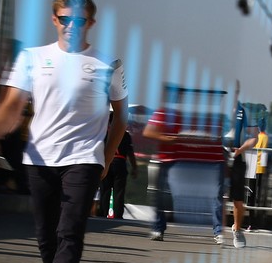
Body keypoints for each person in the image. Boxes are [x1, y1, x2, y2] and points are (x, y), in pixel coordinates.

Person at [0, 0, 127, 263]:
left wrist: (105, 158)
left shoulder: (108, 65)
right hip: (39, 157)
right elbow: (13, 105)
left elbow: (121, 119)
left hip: (84, 157)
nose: (71, 26)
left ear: (91, 23)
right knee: (46, 234)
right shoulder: (31, 58)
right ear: (54, 20)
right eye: (64, 19)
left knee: (69, 230)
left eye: (79, 20)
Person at [144, 103, 225, 243]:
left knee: (216, 195)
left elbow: (218, 137)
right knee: (160, 194)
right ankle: (158, 228)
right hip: (171, 159)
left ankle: (218, 231)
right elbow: (148, 132)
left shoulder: (212, 114)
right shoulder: (165, 111)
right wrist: (167, 138)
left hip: (205, 161)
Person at [96, 119, 137, 219]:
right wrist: (134, 167)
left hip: (106, 163)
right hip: (120, 163)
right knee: (119, 191)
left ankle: (103, 212)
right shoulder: (125, 135)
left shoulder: (103, 134)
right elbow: (130, 153)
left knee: (105, 189)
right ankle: (118, 215)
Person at [227, 124, 259, 248]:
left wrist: (239, 150)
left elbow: (254, 138)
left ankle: (237, 229)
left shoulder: (244, 112)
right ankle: (217, 230)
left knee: (238, 200)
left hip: (237, 160)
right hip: (219, 156)